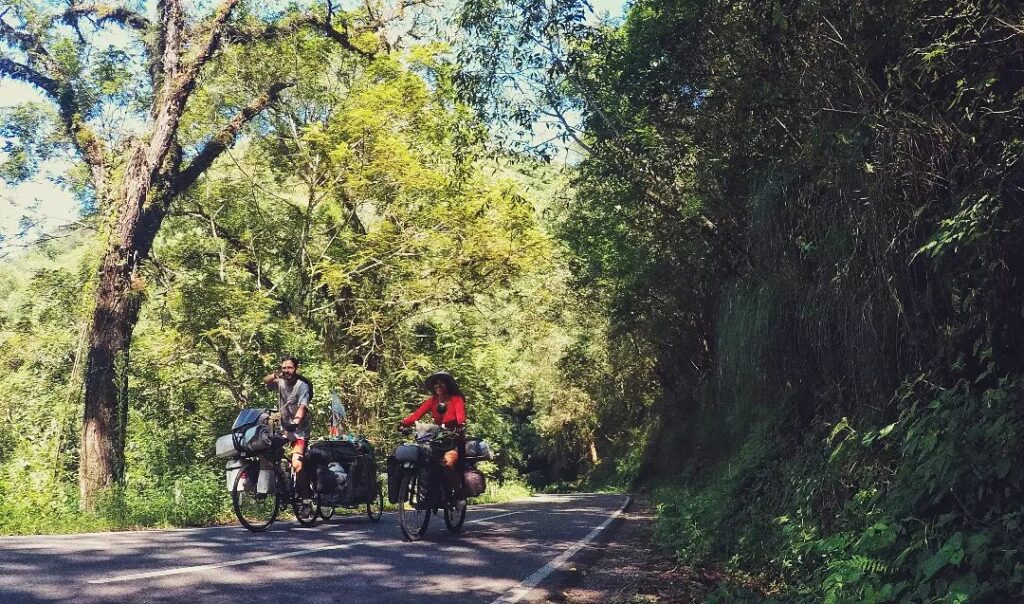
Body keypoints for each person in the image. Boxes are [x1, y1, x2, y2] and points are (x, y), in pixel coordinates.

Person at [399, 371, 466, 498]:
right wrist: (403, 424)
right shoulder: (432, 401)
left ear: (448, 385)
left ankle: (458, 492)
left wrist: (460, 426)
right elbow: (416, 415)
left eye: (442, 383)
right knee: (426, 462)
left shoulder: (456, 400)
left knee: (448, 463)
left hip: (454, 439)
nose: (438, 386)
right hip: (438, 438)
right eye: (436, 383)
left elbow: (460, 416)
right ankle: (431, 494)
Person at [263, 355, 312, 474]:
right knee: (268, 455)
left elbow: (303, 406)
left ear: (296, 369)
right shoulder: (280, 383)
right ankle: (283, 482)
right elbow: (266, 381)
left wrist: (295, 422)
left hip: (299, 430)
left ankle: (303, 493)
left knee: (297, 463)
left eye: (289, 368)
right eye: (284, 368)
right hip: (283, 429)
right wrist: (275, 375)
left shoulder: (302, 386)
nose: (286, 371)